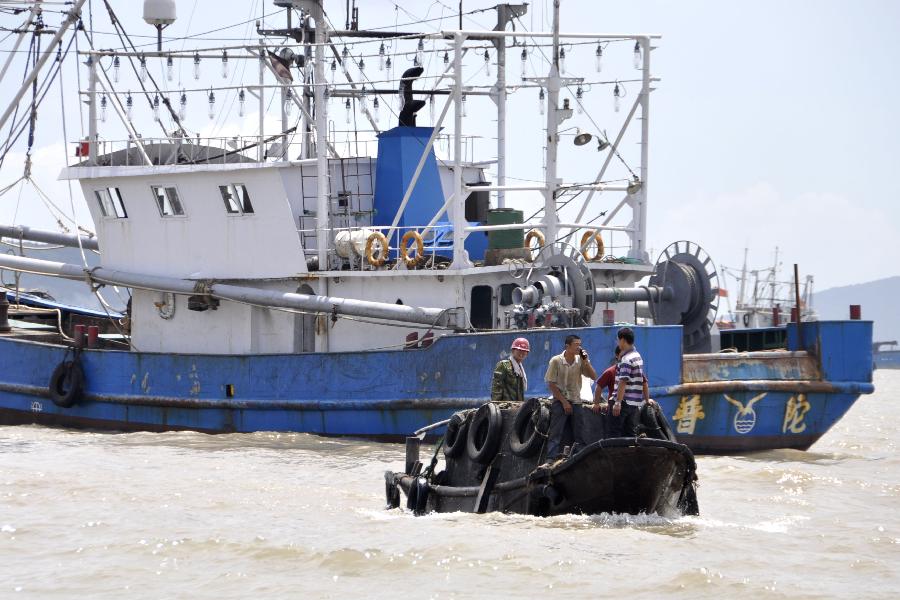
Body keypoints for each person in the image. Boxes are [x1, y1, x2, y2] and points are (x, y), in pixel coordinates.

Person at [544, 334, 598, 458]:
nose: (579, 348)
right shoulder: (556, 361)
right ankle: (550, 458)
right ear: (567, 346)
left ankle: (579, 456)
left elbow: (594, 376)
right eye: (576, 345)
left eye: (580, 345)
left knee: (580, 432)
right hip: (560, 400)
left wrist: (586, 361)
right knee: (556, 432)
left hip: (576, 400)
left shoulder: (580, 361)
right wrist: (564, 402)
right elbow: (551, 384)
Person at [610, 327, 653, 436]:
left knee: (614, 434)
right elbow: (643, 380)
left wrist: (618, 402)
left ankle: (617, 453)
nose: (617, 342)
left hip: (623, 403)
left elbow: (623, 382)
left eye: (618, 340)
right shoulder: (638, 356)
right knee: (630, 434)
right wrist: (647, 399)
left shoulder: (626, 359)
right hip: (634, 405)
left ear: (623, 340)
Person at [491, 337, 530, 403]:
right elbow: (496, 387)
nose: (522, 353)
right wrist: (496, 405)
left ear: (527, 354)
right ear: (512, 351)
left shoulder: (520, 370)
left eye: (524, 351)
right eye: (519, 350)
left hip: (517, 407)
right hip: (505, 406)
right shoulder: (503, 365)